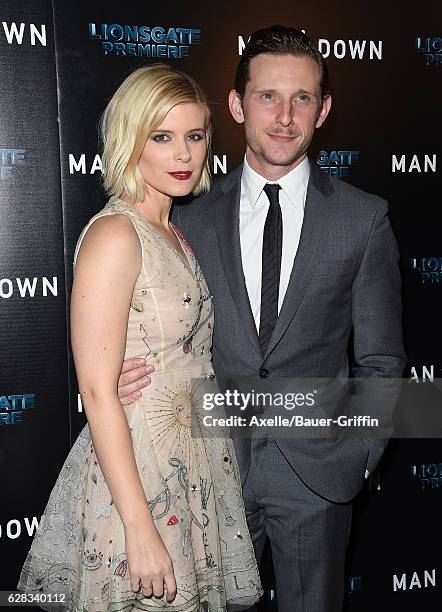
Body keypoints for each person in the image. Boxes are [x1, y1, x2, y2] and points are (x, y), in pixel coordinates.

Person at [120, 27, 406, 612]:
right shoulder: (188, 219)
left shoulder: (363, 220)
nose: (283, 116)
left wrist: (360, 454)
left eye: (302, 98)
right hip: (209, 468)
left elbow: (382, 359)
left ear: (323, 110)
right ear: (236, 104)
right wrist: (123, 373)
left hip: (317, 475)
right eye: (267, 96)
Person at [17, 64, 262, 612]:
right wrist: (139, 525)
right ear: (131, 140)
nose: (183, 155)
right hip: (141, 468)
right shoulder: (115, 234)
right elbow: (99, 391)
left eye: (195, 136)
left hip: (195, 463)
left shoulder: (173, 231)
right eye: (162, 137)